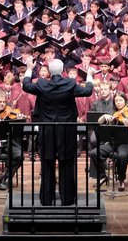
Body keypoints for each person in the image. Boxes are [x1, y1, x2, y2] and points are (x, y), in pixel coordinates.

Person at [21, 56, 93, 206]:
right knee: (66, 164)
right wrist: (90, 75)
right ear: (63, 71)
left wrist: (29, 68)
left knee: (47, 164)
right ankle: (67, 199)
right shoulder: (70, 83)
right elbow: (87, 91)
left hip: (47, 131)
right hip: (66, 131)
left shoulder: (42, 84)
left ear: (49, 73)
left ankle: (46, 199)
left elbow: (26, 85)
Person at [94, 93, 128, 191]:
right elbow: (98, 123)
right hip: (113, 143)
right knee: (94, 152)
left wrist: (126, 122)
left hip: (126, 143)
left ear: (125, 101)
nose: (118, 103)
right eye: (116, 101)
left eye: (120, 100)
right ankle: (102, 175)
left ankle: (121, 180)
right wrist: (104, 116)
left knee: (122, 156)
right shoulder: (113, 114)